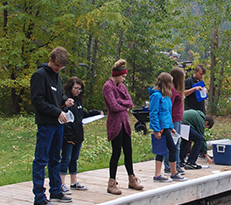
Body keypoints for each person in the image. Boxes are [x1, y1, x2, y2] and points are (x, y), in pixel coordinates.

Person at [31, 47, 73, 205]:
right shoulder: (39, 75)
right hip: (46, 124)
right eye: (56, 65)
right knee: (41, 159)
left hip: (58, 124)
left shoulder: (57, 76)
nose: (58, 69)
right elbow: (38, 100)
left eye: (61, 67)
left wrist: (66, 101)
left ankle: (55, 190)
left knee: (56, 158)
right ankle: (39, 197)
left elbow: (57, 97)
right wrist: (57, 111)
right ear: (51, 60)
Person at [102, 59, 143, 195]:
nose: (124, 79)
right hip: (115, 123)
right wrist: (122, 104)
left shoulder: (122, 87)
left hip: (125, 122)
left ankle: (132, 178)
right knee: (116, 152)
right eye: (123, 77)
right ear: (117, 75)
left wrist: (120, 102)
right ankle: (111, 182)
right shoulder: (108, 87)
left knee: (128, 151)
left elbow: (130, 103)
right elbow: (113, 107)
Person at [60, 77, 103, 195]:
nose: (78, 91)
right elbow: (63, 115)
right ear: (70, 87)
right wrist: (68, 135)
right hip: (68, 136)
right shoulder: (65, 100)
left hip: (78, 135)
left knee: (74, 159)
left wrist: (96, 112)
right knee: (66, 159)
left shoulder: (78, 102)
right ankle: (61, 183)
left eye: (80, 89)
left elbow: (84, 114)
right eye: (76, 88)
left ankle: (73, 182)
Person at [149, 72, 188, 182]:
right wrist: (156, 130)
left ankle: (172, 172)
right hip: (160, 128)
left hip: (167, 126)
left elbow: (167, 113)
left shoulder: (166, 96)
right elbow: (153, 113)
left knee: (170, 149)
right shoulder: (156, 96)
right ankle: (163, 174)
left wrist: (171, 126)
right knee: (166, 149)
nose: (172, 85)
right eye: (170, 82)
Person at [164, 67, 185, 174]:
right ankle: (169, 166)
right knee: (172, 143)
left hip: (178, 118)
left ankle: (176, 164)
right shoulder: (171, 90)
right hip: (173, 119)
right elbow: (168, 106)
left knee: (177, 143)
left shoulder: (177, 90)